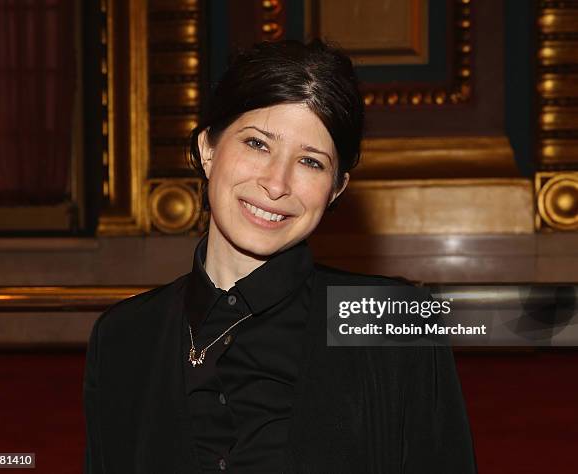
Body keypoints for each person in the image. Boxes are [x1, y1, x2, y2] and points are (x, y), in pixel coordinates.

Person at [83, 39, 477, 473]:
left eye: (310, 162)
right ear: (207, 150)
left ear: (336, 189)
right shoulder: (123, 337)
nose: (276, 183)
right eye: (257, 144)